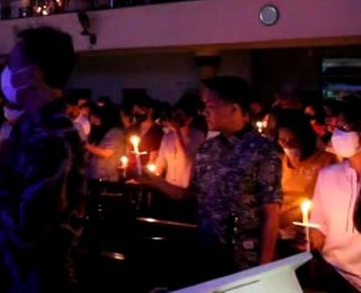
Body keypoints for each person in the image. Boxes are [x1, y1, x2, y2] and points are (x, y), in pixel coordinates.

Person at [0, 26, 86, 292]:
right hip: (8, 272)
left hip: (33, 281)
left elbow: (29, 231)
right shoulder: (29, 127)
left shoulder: (53, 137)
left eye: (11, 64)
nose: (5, 73)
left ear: (33, 73)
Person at [143, 77, 282, 278]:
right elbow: (189, 195)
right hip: (207, 252)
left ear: (234, 109)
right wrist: (154, 181)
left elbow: (271, 215)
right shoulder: (208, 149)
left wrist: (263, 270)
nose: (203, 111)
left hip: (245, 258)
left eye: (210, 105)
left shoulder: (263, 151)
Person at [309, 105, 361, 291]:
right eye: (335, 127)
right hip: (336, 272)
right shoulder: (327, 175)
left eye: (345, 128)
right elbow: (318, 227)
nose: (337, 134)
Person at [275, 110, 335, 255]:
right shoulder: (276, 162)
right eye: (282, 140)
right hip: (280, 235)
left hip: (312, 236)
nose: (287, 145)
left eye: (293, 140)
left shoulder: (326, 162)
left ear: (304, 138)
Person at [153, 94, 206, 189]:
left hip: (186, 190)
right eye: (174, 115)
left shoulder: (197, 136)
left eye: (179, 115)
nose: (175, 118)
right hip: (169, 189)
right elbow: (160, 163)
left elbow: (185, 155)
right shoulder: (167, 137)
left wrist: (177, 131)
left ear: (189, 119)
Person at [85, 103, 125, 182]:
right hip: (94, 174)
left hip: (105, 177)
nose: (96, 120)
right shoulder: (101, 131)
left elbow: (106, 153)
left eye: (98, 117)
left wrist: (84, 144)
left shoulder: (115, 132)